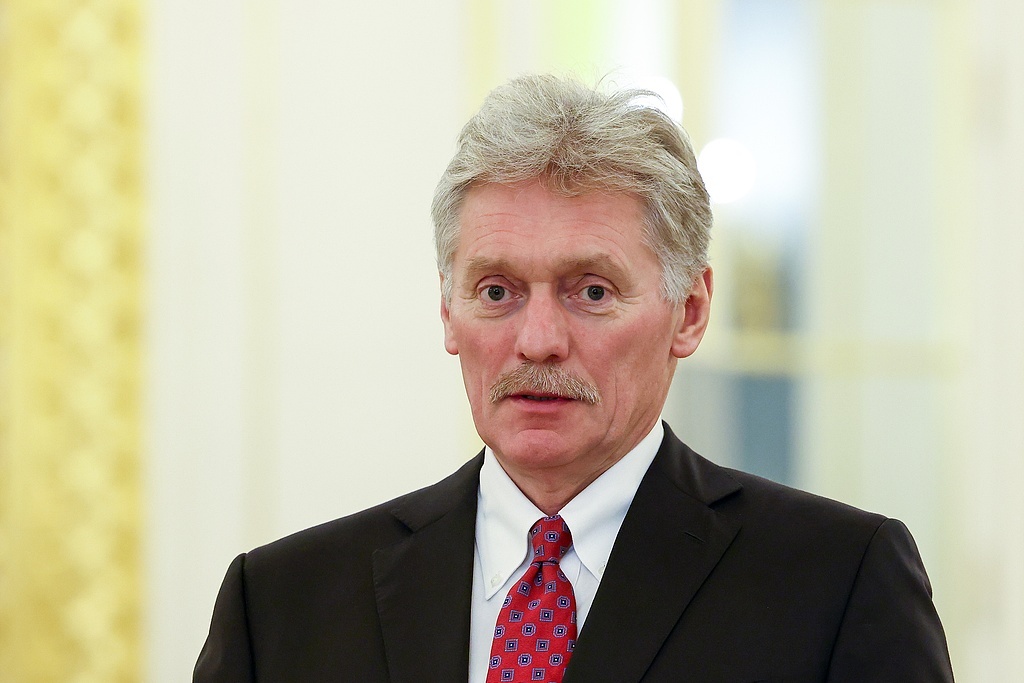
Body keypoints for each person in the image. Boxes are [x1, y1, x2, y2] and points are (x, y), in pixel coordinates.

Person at [194, 74, 954, 682]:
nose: (538, 341)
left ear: (690, 312)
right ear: (448, 311)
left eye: (591, 291)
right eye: (497, 290)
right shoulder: (282, 603)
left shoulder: (838, 584)